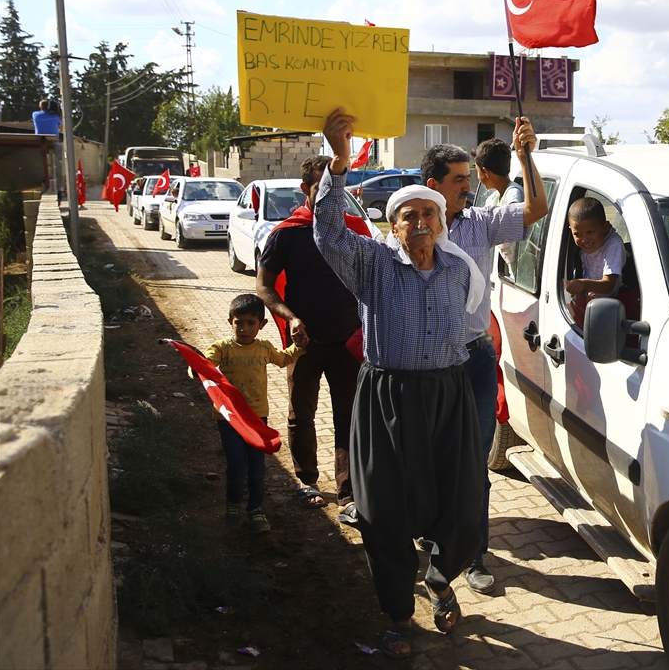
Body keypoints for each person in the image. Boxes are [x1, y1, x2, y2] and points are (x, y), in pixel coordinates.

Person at [316, 107, 488, 659]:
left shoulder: (459, 270)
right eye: (407, 215)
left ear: (441, 222)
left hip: (446, 395)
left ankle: (439, 582)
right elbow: (327, 232)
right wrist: (339, 166)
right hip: (386, 397)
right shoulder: (372, 264)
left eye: (427, 214)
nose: (419, 222)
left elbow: (467, 327)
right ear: (393, 226)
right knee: (382, 512)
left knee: (461, 505)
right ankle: (397, 613)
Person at [421, 122, 546, 596]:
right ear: (433, 186)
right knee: (431, 458)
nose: (469, 187)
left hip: (474, 360)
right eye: (460, 181)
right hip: (429, 366)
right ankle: (434, 545)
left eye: (470, 181)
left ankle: (473, 555)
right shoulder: (412, 225)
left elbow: (536, 208)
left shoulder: (482, 223)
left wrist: (525, 156)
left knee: (474, 461)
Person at [257, 155, 363, 525]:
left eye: (336, 189)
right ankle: (307, 482)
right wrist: (291, 318)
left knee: (350, 418)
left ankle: (349, 493)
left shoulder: (356, 230)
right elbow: (265, 287)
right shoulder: (286, 233)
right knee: (300, 414)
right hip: (303, 343)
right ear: (305, 190)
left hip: (351, 341)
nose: (330, 197)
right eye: (321, 189)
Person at [203, 293, 305, 534]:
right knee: (237, 467)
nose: (244, 328)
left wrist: (299, 347)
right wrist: (196, 367)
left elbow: (283, 359)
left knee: (257, 468)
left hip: (258, 419)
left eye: (251, 322)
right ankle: (233, 506)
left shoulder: (264, 348)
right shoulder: (222, 348)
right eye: (239, 322)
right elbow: (205, 364)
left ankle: (256, 509)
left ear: (262, 324)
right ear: (230, 322)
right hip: (230, 419)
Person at [565, 197, 624, 300]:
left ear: (605, 227)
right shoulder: (584, 244)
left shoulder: (613, 245)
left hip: (609, 305)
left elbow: (608, 285)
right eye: (577, 234)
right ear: (571, 231)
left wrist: (584, 284)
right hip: (590, 298)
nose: (584, 240)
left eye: (590, 232)